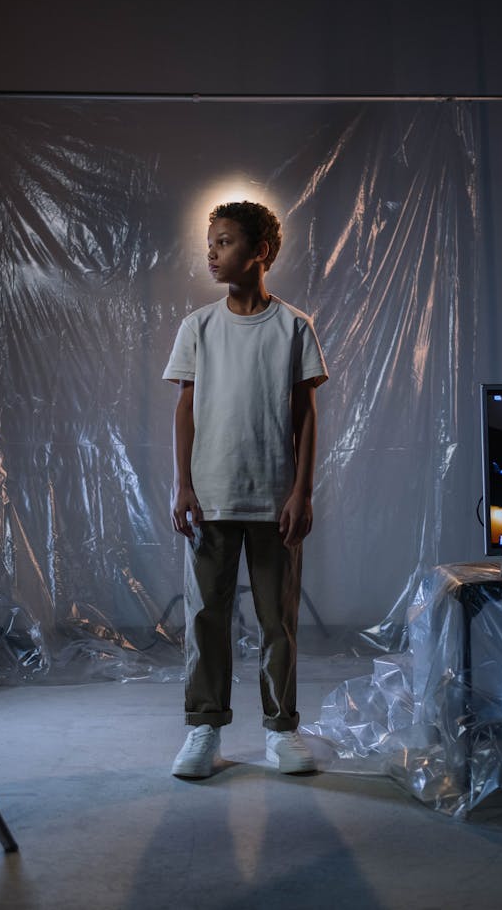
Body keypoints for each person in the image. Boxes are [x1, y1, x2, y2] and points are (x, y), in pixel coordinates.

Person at [163, 200, 328, 778]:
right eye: (210, 242)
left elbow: (305, 416)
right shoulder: (198, 327)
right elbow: (185, 410)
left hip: (274, 501)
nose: (212, 252)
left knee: (276, 622)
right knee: (206, 616)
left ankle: (281, 731)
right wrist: (183, 485)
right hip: (209, 499)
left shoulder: (293, 326)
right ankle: (204, 727)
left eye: (226, 241)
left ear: (259, 251)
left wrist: (302, 492)